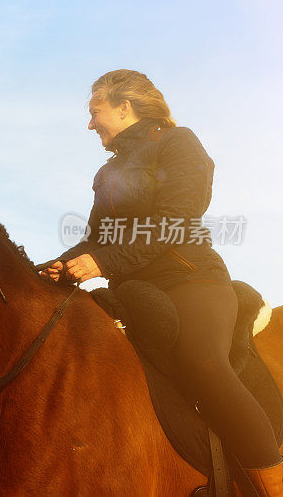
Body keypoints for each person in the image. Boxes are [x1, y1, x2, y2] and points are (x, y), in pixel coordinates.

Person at [41, 69, 282, 494]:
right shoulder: (106, 172)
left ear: (123, 106)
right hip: (133, 290)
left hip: (192, 280)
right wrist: (61, 265)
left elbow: (175, 222)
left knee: (203, 364)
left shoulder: (177, 142)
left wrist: (101, 262)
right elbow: (97, 238)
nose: (90, 122)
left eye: (95, 111)